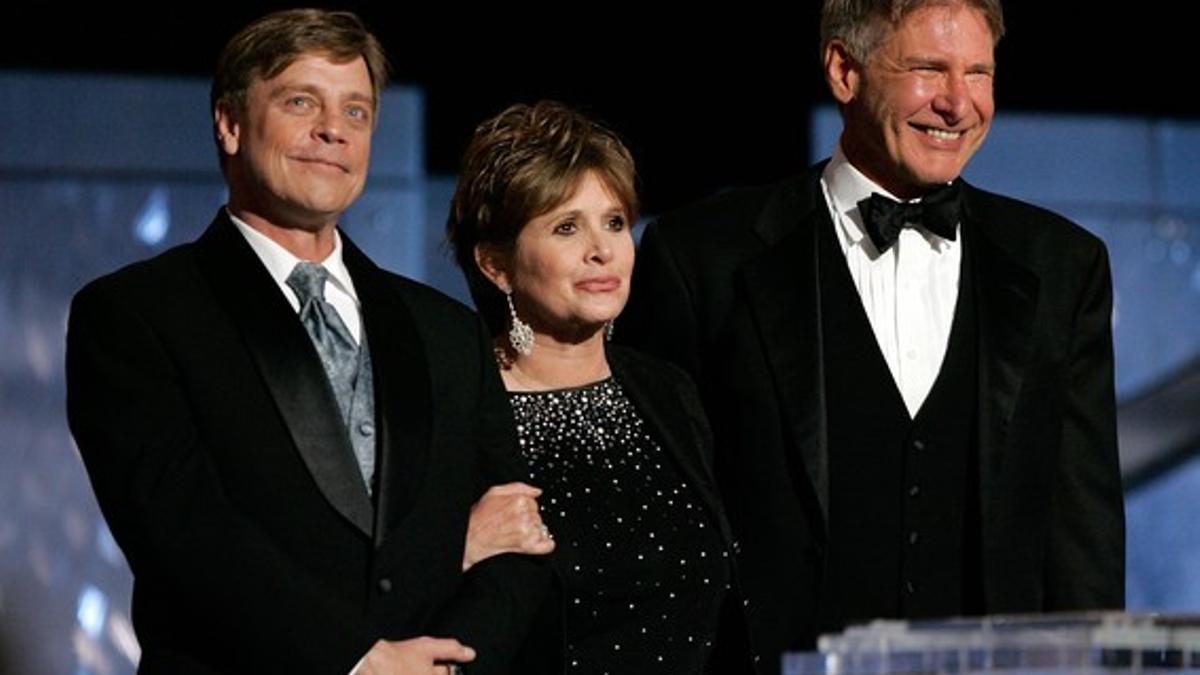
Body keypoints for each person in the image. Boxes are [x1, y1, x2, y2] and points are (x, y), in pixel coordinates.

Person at [619, 1, 1126, 672]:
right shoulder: (702, 257)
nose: (958, 102)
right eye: (927, 68)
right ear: (844, 71)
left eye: (978, 72)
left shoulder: (1062, 265)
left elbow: (1080, 528)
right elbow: (652, 517)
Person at [65, 10, 548, 674]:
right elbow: (185, 533)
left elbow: (518, 544)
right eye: (301, 102)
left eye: (356, 112)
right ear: (230, 124)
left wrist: (444, 665)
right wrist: (359, 658)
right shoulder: (135, 315)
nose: (334, 130)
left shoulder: (445, 330)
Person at [446, 100, 748, 674]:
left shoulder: (667, 391)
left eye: (614, 222)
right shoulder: (462, 407)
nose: (602, 249)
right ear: (496, 265)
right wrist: (455, 550)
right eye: (566, 227)